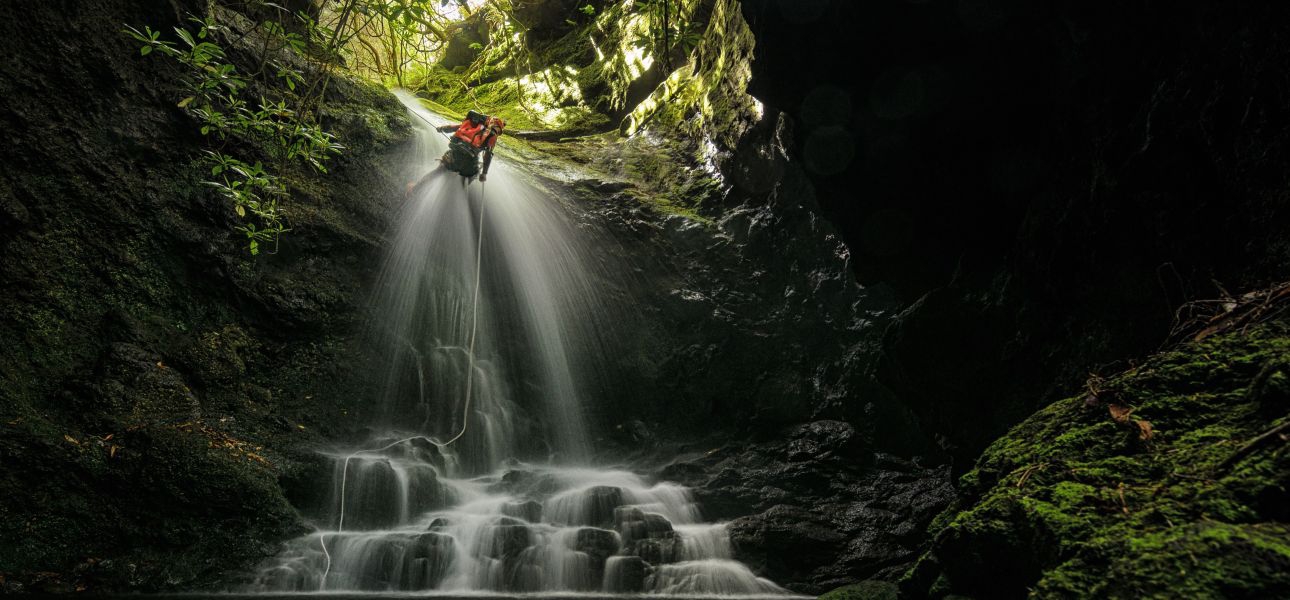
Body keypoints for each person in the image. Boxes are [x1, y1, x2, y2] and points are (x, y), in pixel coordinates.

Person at [437, 110, 505, 182]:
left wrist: (441, 128)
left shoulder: (474, 126)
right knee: (472, 173)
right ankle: (462, 186)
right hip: (468, 161)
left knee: (439, 170)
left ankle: (431, 178)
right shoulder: (492, 135)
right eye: (499, 131)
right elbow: (488, 154)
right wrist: (484, 173)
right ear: (498, 128)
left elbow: (453, 127)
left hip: (454, 151)